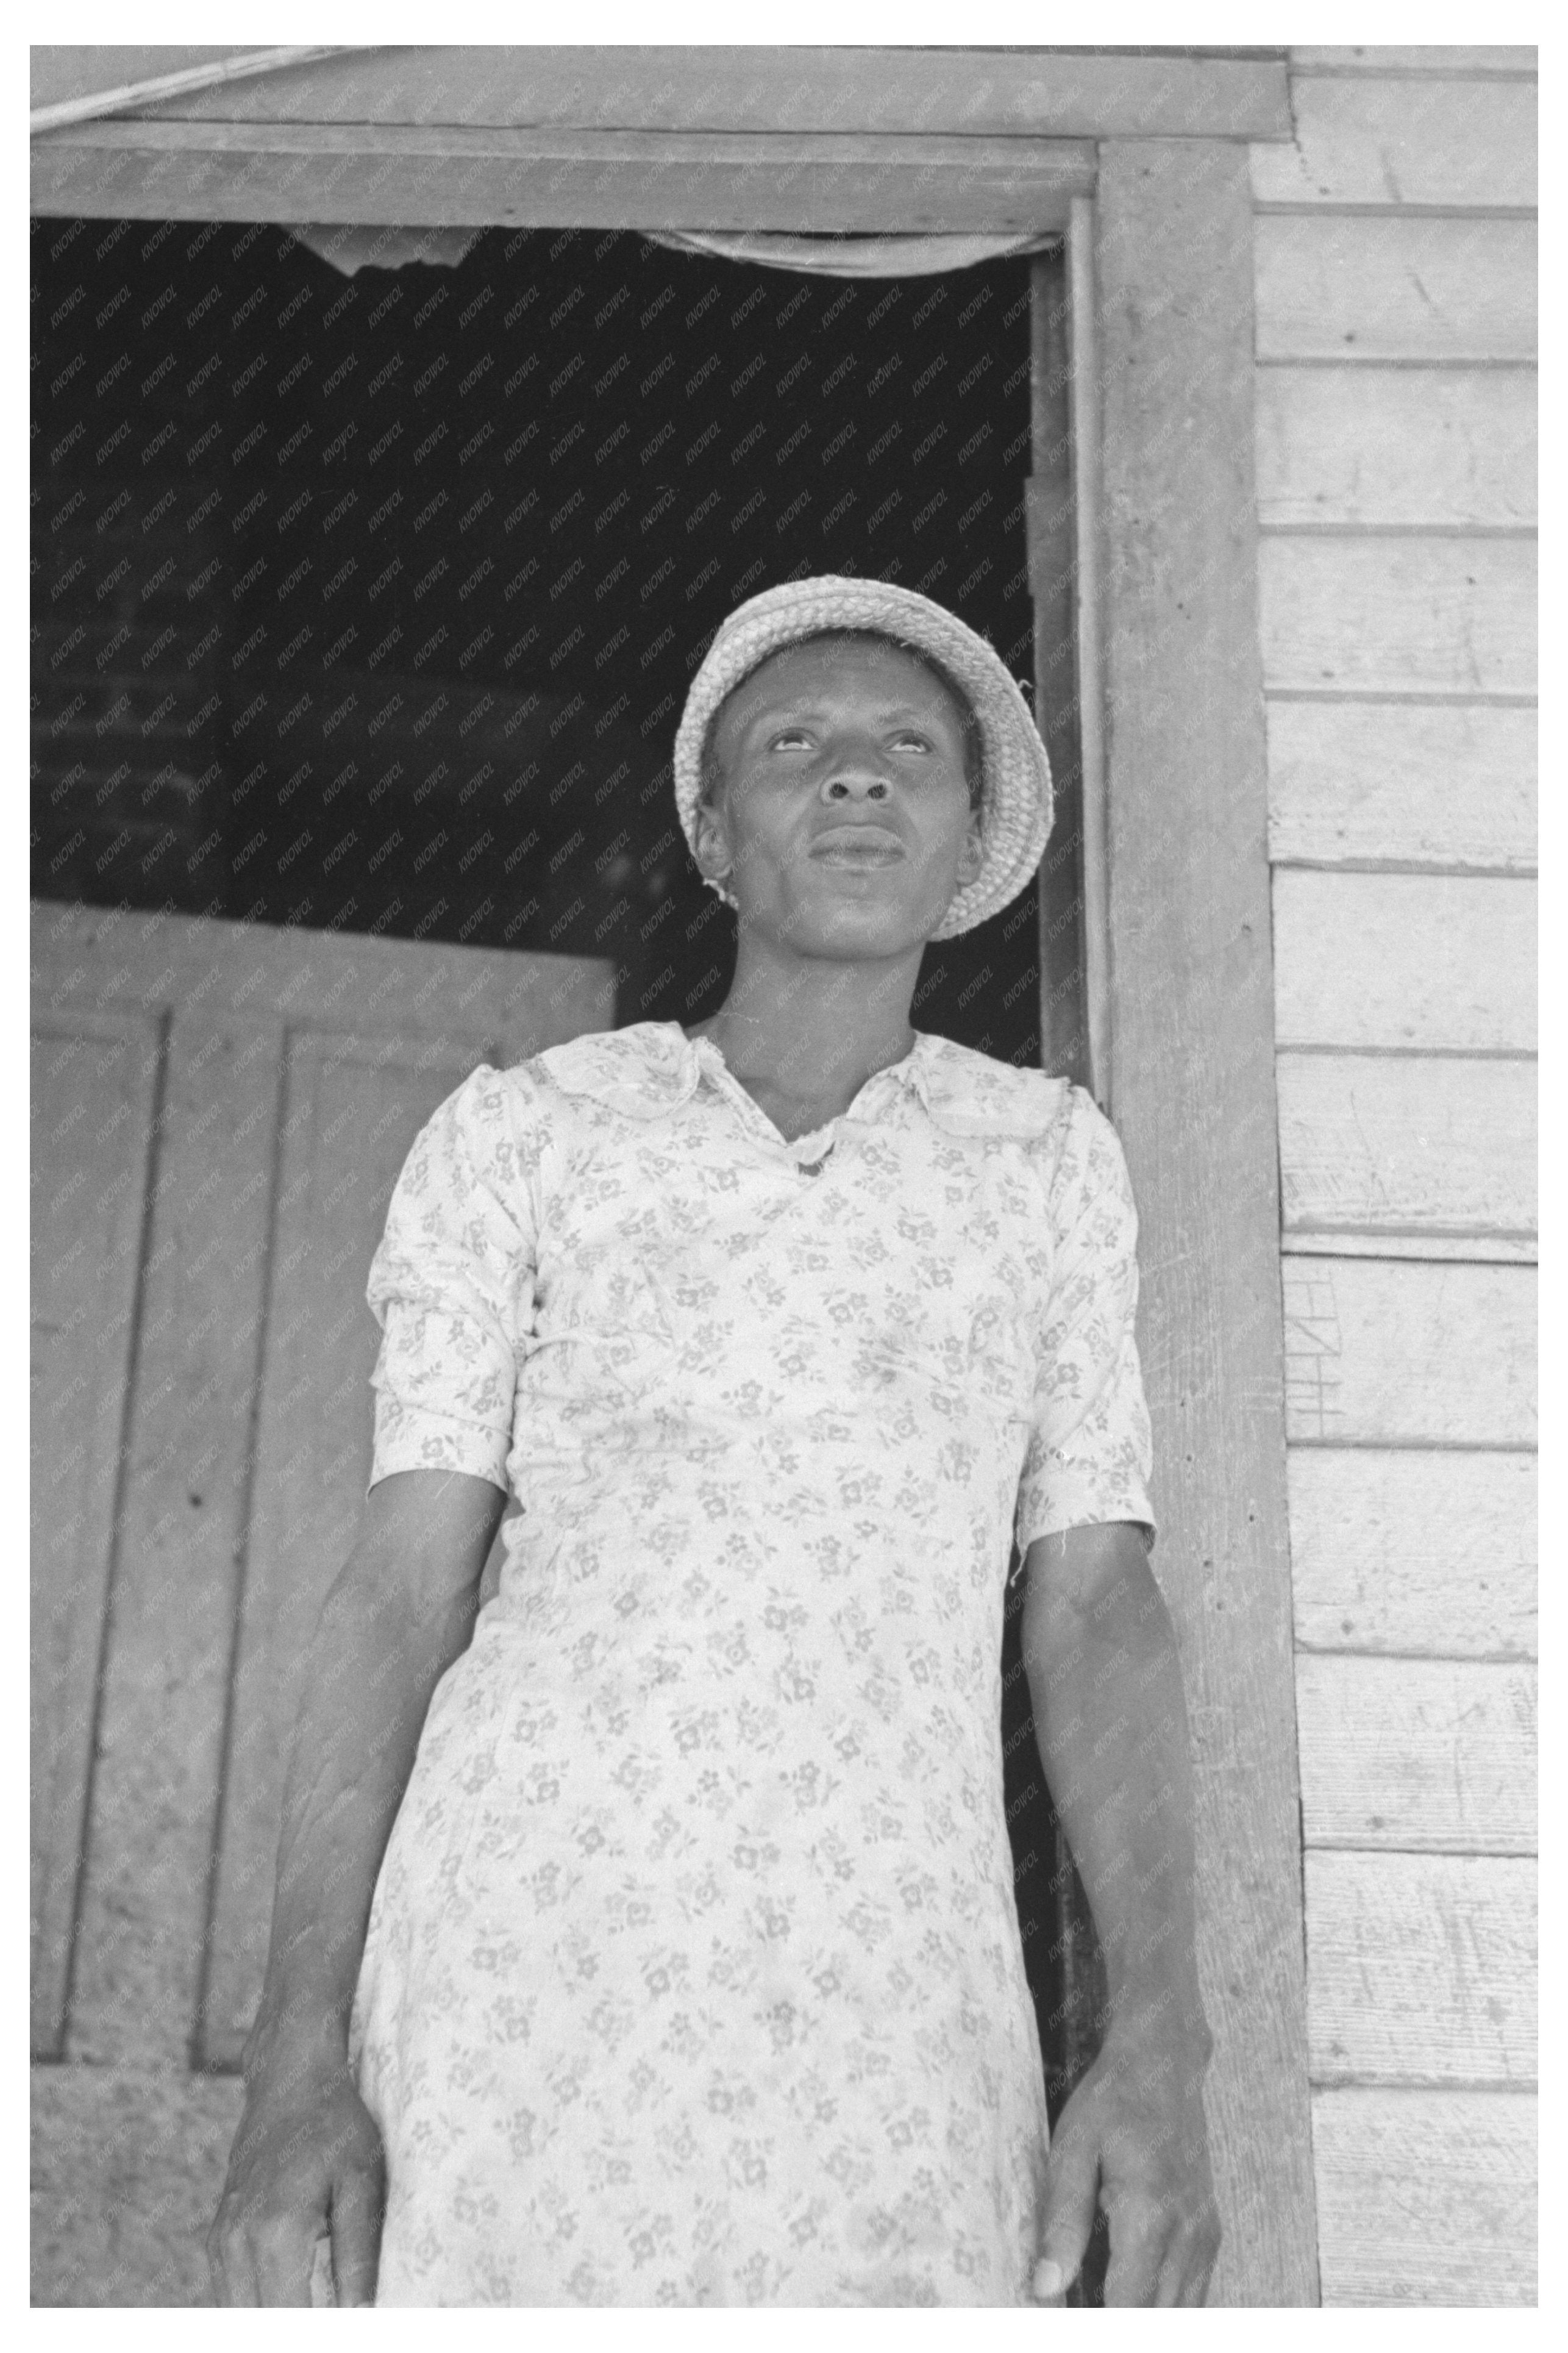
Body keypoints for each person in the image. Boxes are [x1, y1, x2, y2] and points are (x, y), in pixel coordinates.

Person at [207, 575, 1221, 2307]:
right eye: (793, 744)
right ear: (713, 833)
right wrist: (293, 2051)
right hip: (515, 1969)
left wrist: (1161, 2037)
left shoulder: (1043, 1161)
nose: (853, 777)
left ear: (969, 835)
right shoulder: (533, 1133)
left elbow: (1093, 1601)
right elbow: (397, 1593)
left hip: (887, 1994)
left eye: (907, 747)